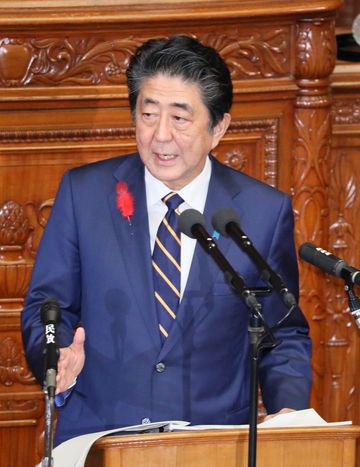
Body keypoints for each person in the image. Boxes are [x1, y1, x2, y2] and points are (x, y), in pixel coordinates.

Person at [22, 35, 312, 446]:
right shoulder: (83, 194)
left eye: (179, 118)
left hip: (212, 443)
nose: (160, 136)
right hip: (99, 437)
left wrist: (289, 411)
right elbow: (47, 305)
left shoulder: (262, 213)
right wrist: (54, 357)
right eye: (148, 113)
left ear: (218, 128)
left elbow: (283, 333)